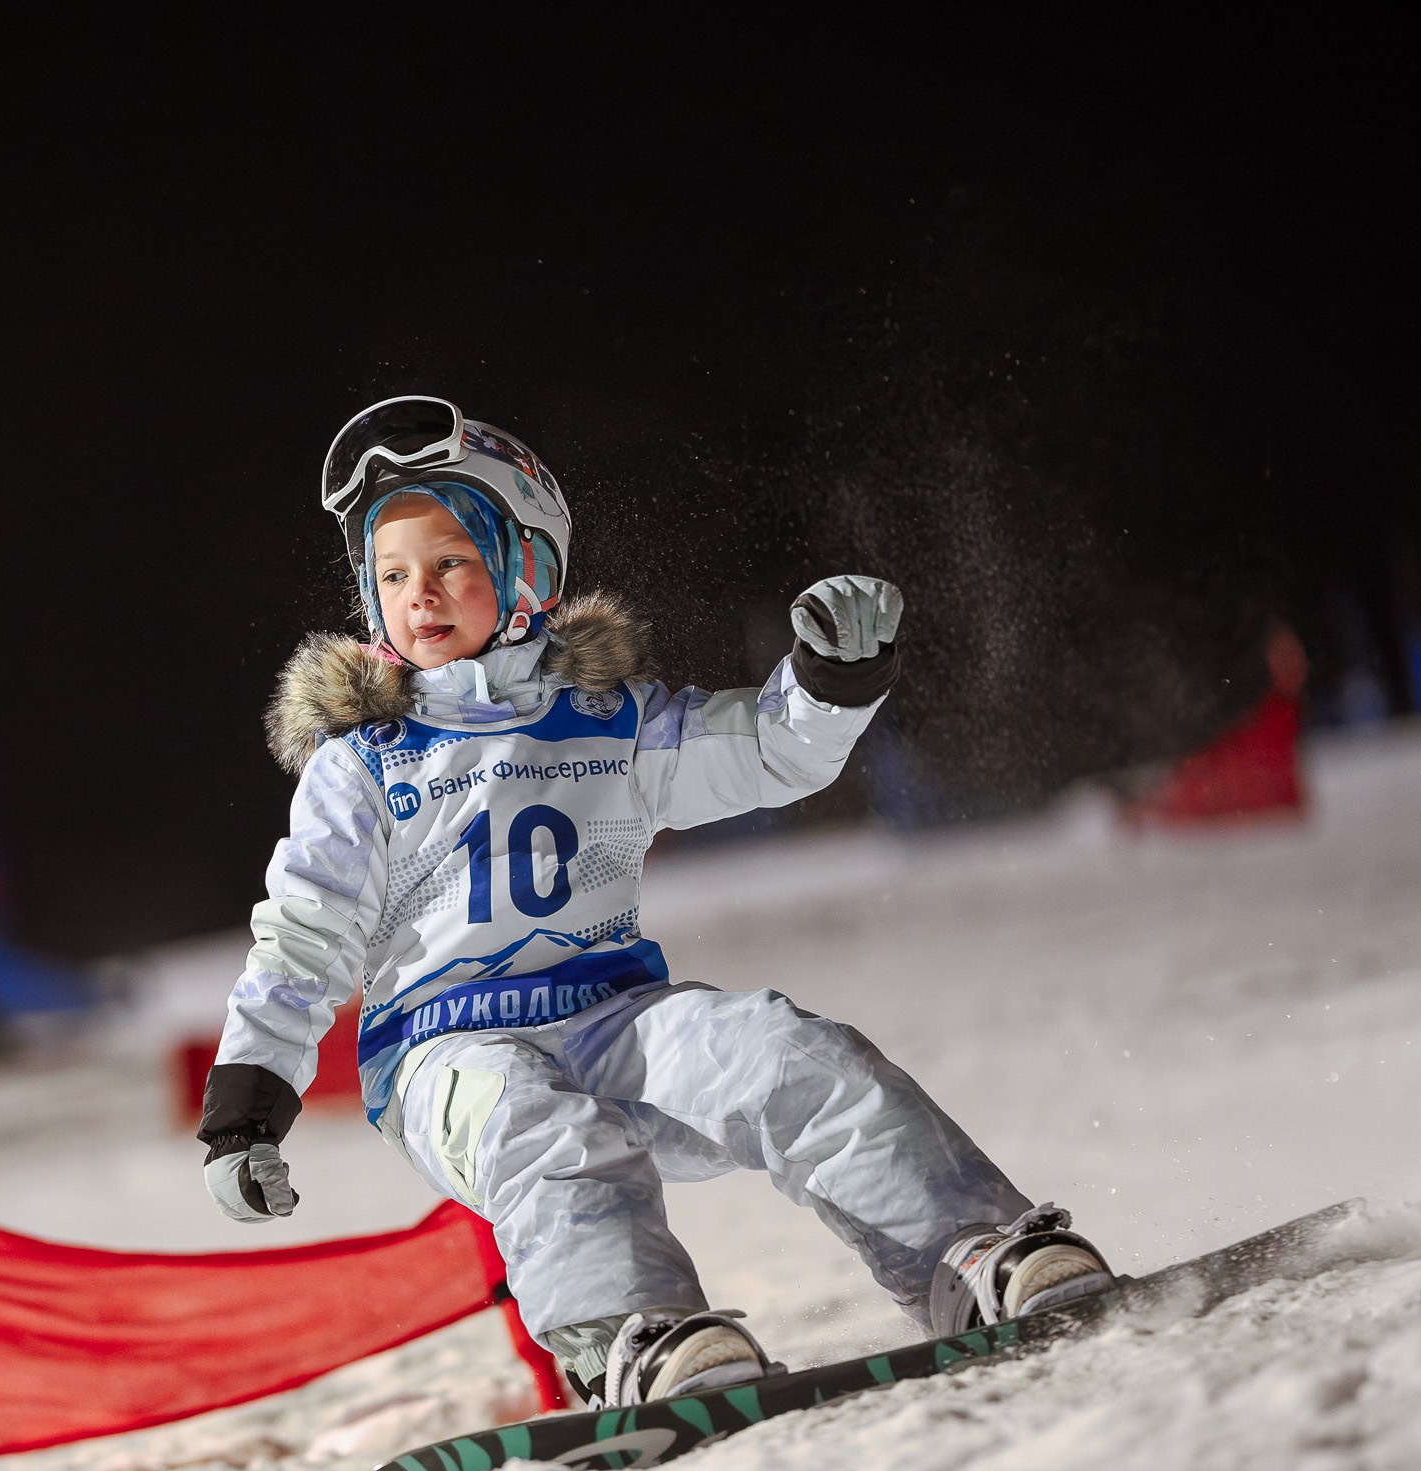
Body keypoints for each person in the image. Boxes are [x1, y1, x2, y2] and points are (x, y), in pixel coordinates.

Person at [194, 397, 1115, 1408]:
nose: (422, 595)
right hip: (443, 1052)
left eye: (453, 561)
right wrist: (249, 1099)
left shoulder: (607, 718)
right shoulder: (362, 759)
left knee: (781, 1052)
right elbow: (307, 929)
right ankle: (635, 1339)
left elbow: (760, 750)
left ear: (525, 568)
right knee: (539, 1132)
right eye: (394, 574)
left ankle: (972, 1259)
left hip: (611, 1017)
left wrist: (829, 685)